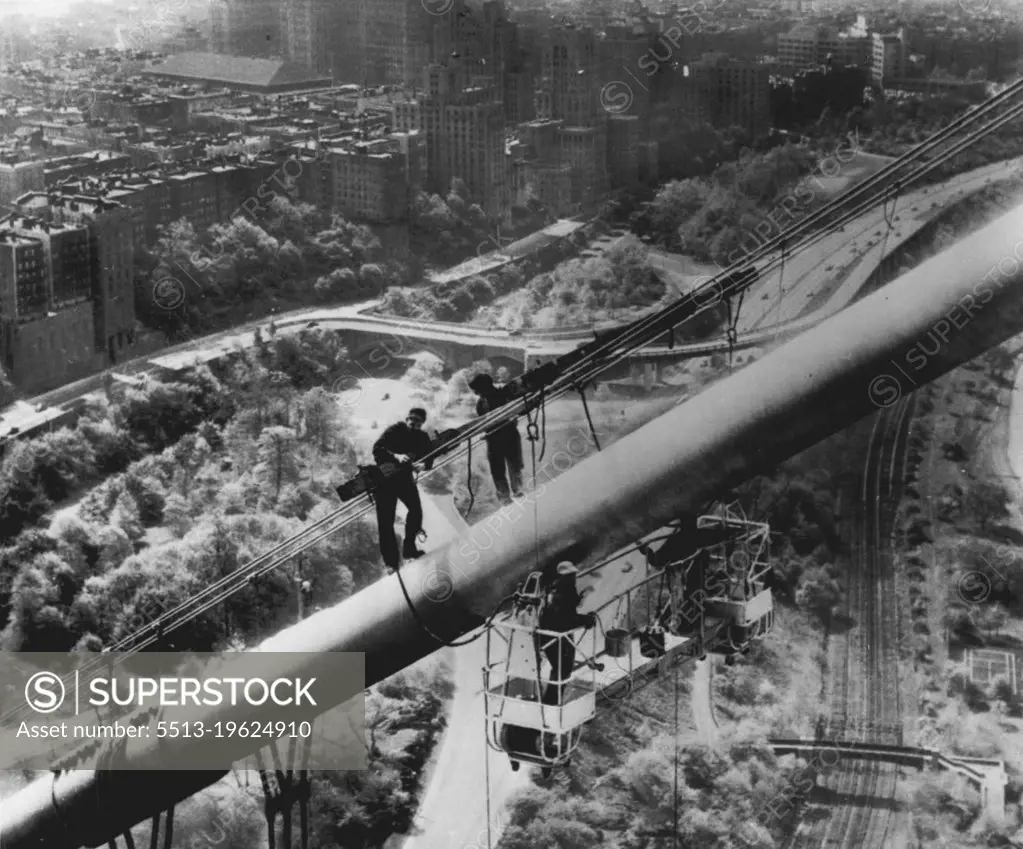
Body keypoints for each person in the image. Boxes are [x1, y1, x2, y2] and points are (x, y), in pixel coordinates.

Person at [371, 407, 434, 571]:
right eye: (412, 419)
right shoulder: (395, 430)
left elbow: (429, 455)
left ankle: (409, 549)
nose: (414, 423)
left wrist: (424, 465)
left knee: (416, 511)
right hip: (384, 480)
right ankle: (391, 563)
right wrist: (396, 456)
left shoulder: (422, 437)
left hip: (403, 479)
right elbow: (377, 449)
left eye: (418, 421)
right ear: (407, 419)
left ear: (422, 424)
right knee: (386, 523)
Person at [537, 562, 598, 706]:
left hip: (548, 635)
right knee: (562, 670)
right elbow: (564, 620)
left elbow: (565, 609)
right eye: (573, 575)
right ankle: (551, 704)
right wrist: (585, 620)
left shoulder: (556, 587)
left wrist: (581, 598)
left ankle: (551, 701)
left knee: (559, 669)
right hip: (557, 636)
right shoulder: (566, 590)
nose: (575, 577)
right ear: (568, 576)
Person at [468, 373, 524, 503]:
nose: (476, 393)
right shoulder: (481, 403)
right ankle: (505, 498)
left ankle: (519, 492)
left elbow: (515, 412)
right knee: (497, 470)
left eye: (477, 389)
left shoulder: (504, 395)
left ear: (485, 387)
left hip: (509, 435)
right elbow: (483, 422)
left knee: (514, 465)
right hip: (493, 440)